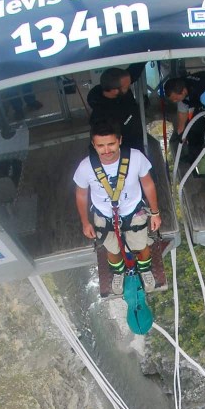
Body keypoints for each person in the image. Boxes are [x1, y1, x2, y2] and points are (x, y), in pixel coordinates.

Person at [73, 118, 161, 295]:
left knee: (141, 245)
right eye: (100, 146)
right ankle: (118, 272)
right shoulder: (86, 167)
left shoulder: (135, 157)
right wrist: (85, 222)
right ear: (94, 145)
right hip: (104, 216)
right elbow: (81, 195)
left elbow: (148, 184)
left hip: (133, 211)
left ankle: (144, 270)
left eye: (111, 144)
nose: (106, 150)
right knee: (112, 249)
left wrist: (155, 213)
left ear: (120, 140)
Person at [87, 64, 146, 153]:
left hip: (138, 142)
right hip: (124, 152)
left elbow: (135, 70)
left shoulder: (119, 83)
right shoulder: (100, 116)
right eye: (127, 87)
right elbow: (100, 141)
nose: (129, 86)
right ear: (115, 91)